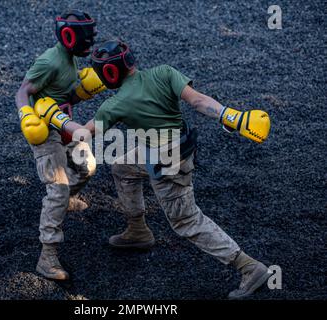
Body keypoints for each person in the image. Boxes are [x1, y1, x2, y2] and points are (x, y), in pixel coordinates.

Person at [34, 40, 271, 299]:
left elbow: (81, 134)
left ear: (110, 74)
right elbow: (199, 101)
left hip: (166, 164)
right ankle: (138, 231)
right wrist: (231, 116)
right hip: (173, 149)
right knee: (123, 167)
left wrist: (55, 116)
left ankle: (248, 267)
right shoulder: (165, 72)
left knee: (186, 220)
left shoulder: (116, 104)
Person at [15, 10, 106, 280]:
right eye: (87, 36)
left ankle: (67, 200)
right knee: (57, 189)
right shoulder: (49, 61)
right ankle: (47, 256)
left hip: (65, 123)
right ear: (69, 36)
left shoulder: (70, 59)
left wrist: (81, 92)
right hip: (45, 131)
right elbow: (23, 91)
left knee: (87, 167)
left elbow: (62, 95)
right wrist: (27, 116)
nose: (91, 41)